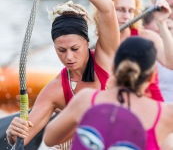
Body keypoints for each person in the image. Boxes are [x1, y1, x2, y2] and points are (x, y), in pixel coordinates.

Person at [6, 0, 120, 147]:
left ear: (87, 43)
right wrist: (12, 133)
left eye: (75, 49)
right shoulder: (55, 89)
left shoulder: (104, 59)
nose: (69, 57)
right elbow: (21, 140)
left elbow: (107, 8)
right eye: (61, 50)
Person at [43, 36, 173, 150]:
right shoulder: (166, 115)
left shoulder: (86, 99)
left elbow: (50, 139)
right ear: (151, 77)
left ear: (113, 68)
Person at [93, 0, 173, 101]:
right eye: (121, 9)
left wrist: (161, 23)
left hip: (150, 105)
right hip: (116, 106)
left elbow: (170, 62)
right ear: (106, 10)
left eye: (130, 11)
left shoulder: (147, 37)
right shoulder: (99, 45)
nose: (126, 16)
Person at [143, 7, 173, 102]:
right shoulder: (141, 53)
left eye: (169, 28)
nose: (166, 33)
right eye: (159, 29)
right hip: (157, 108)